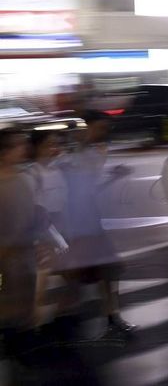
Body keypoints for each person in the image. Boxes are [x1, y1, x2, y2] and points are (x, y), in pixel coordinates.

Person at [55, 111, 136, 339]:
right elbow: (64, 184)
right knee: (76, 280)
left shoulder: (96, 152)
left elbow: (90, 190)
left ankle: (111, 318)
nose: (103, 133)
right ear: (87, 127)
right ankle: (49, 327)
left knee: (108, 272)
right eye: (100, 128)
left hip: (91, 225)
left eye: (105, 129)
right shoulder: (68, 153)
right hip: (74, 228)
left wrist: (113, 176)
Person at [26, 130, 70, 328]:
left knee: (69, 276)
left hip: (59, 227)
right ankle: (33, 324)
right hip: (44, 231)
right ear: (37, 148)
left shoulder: (58, 170)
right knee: (42, 277)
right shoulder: (32, 173)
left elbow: (64, 202)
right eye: (50, 145)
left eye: (57, 144)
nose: (55, 149)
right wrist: (56, 237)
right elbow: (37, 211)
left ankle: (55, 320)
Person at [0, 129, 38, 346]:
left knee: (23, 300)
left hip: (23, 255)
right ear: (4, 152)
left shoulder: (23, 179)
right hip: (5, 258)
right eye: (18, 145)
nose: (24, 148)